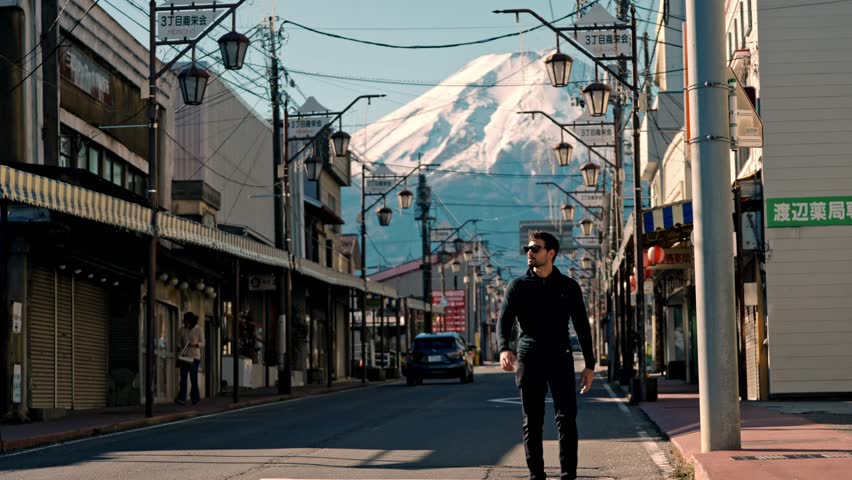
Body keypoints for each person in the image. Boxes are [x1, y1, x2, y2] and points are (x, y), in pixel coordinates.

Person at [497, 230, 596, 480]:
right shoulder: (518, 286)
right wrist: (504, 348)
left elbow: (582, 326)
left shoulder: (568, 287)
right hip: (529, 358)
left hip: (560, 358)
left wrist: (590, 365)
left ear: (550, 253)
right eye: (528, 249)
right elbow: (504, 320)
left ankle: (568, 475)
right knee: (532, 421)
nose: (529, 252)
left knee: (567, 419)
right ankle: (536, 476)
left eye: (535, 248)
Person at [177, 311, 205, 406]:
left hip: (194, 357)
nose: (186, 323)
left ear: (192, 321)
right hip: (184, 357)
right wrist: (180, 348)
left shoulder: (198, 330)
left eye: (187, 322)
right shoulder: (182, 330)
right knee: (183, 378)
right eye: (185, 322)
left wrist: (196, 344)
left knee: (193, 378)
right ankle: (182, 398)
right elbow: (178, 342)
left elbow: (203, 342)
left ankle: (195, 398)